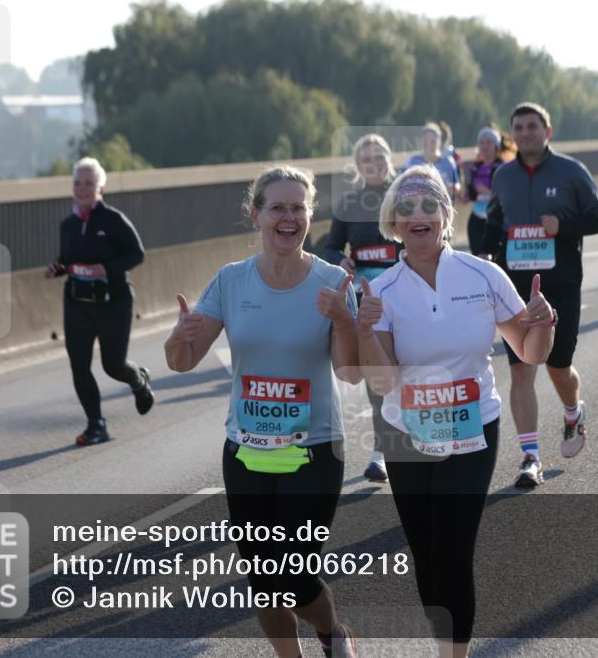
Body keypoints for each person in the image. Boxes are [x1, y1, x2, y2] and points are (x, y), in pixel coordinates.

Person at [357, 165, 554, 658]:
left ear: (447, 215)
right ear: (393, 223)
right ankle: (443, 638)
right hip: (408, 436)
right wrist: (362, 330)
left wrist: (544, 323)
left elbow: (529, 352)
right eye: (406, 208)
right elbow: (381, 382)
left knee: (452, 550)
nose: (418, 215)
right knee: (425, 557)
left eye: (429, 205)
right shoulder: (381, 291)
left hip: (471, 431)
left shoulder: (483, 274)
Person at [165, 165, 360, 658]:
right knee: (263, 575)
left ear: (309, 215)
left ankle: (332, 629)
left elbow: (350, 372)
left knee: (293, 574)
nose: (287, 217)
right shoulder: (231, 282)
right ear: (256, 215)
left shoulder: (333, 280)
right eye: (277, 207)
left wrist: (344, 320)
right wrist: (178, 336)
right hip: (248, 450)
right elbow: (183, 362)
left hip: (313, 448)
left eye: (298, 208)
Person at [481, 102, 598, 487]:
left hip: (561, 284)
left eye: (532, 126)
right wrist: (486, 260)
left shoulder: (571, 172)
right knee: (521, 368)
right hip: (515, 285)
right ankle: (529, 456)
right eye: (518, 127)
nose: (525, 133)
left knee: (557, 367)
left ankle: (573, 411)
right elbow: (492, 221)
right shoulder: (503, 176)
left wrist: (564, 225)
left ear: (547, 131)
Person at [44, 157, 154, 446]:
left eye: (89, 183)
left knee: (112, 365)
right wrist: (56, 268)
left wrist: (105, 269)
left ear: (100, 187)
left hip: (113, 302)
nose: (82, 188)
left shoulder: (112, 220)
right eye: (77, 183)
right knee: (79, 365)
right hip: (77, 303)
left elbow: (137, 254)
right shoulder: (68, 224)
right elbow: (67, 260)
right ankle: (96, 424)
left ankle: (138, 380)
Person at [324, 134, 401, 482]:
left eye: (379, 156)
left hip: (406, 296)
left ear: (389, 158)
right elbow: (328, 246)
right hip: (366, 299)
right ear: (358, 166)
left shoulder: (405, 194)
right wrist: (340, 258)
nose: (374, 162)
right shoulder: (348, 203)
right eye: (366, 158)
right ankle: (382, 453)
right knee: (377, 377)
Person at [461, 127, 505, 255]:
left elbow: (507, 196)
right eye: (481, 142)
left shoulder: (503, 167)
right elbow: (469, 196)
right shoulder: (474, 167)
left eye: (489, 142)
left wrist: (488, 192)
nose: (484, 146)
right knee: (477, 257)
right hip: (476, 218)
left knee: (495, 257)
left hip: (496, 218)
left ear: (496, 146)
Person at [404, 122, 461, 200]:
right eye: (425, 141)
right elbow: (402, 186)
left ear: (439, 143)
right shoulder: (412, 162)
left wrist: (447, 188)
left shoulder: (448, 163)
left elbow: (457, 186)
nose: (429, 145)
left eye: (433, 141)